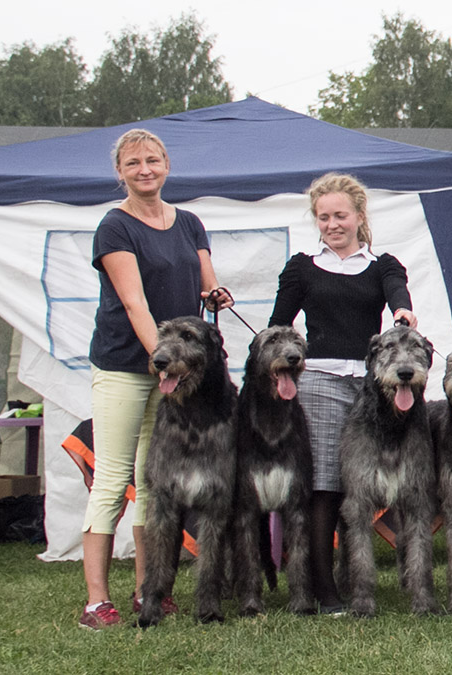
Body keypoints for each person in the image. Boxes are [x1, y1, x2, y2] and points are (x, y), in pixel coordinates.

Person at [80, 129, 232, 630]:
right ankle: (96, 602)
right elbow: (134, 303)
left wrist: (215, 295)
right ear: (119, 172)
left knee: (154, 487)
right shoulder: (114, 226)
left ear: (166, 164)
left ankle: (153, 591)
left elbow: (206, 285)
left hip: (179, 374)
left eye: (152, 160)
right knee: (111, 482)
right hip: (129, 364)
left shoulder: (189, 223)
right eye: (133, 163)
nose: (144, 169)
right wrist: (164, 361)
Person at [268, 172, 417, 615]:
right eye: (323, 217)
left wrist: (403, 311)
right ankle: (323, 588)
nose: (332, 224)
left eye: (340, 215)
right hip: (319, 384)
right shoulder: (301, 266)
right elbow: (279, 327)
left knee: (363, 488)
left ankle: (362, 582)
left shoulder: (382, 264)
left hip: (373, 388)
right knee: (326, 488)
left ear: (358, 216)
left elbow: (397, 294)